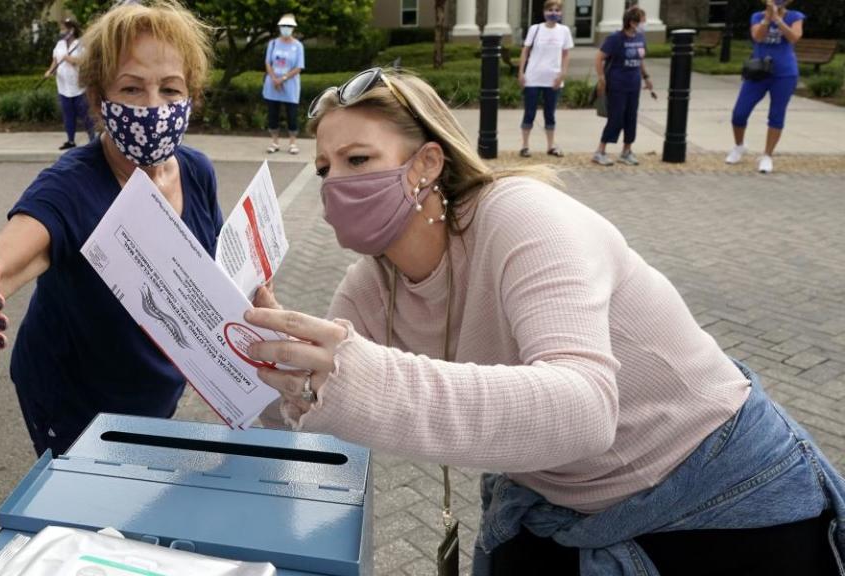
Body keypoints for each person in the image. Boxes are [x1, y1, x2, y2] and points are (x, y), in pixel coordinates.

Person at [243, 67, 845, 574]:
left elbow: (583, 409)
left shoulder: (523, 217)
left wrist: (357, 378)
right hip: (560, 498)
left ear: (426, 163)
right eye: (324, 169)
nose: (336, 184)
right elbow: (315, 419)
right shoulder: (372, 284)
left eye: (358, 158)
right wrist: (252, 364)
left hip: (715, 491)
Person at [0, 0, 223, 457]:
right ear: (99, 98)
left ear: (192, 96)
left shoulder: (196, 172)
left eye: (169, 89)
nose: (153, 107)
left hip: (154, 391)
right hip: (73, 404)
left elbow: (212, 275)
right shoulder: (72, 185)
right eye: (132, 88)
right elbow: (7, 256)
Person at [726, 0, 804, 174]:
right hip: (758, 71)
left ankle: (767, 155)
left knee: (776, 114)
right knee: (740, 112)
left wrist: (779, 20)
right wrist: (767, 19)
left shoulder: (795, 16)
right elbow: (758, 37)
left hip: (784, 73)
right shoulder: (757, 16)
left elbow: (794, 37)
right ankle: (739, 146)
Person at [592, 7, 653, 166]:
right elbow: (599, 58)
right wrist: (601, 78)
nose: (644, 24)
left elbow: (640, 60)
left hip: (634, 84)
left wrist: (646, 77)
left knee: (631, 117)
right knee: (616, 118)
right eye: (642, 21)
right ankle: (600, 151)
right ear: (632, 22)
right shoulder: (615, 39)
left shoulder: (640, 38)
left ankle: (626, 151)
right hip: (617, 84)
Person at [517, 0, 573, 158]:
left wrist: (563, 74)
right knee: (529, 112)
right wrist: (521, 72)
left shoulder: (564, 31)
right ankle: (525, 146)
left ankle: (550, 146)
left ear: (561, 13)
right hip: (533, 78)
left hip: (553, 79)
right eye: (550, 10)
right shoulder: (535, 29)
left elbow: (566, 54)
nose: (553, 13)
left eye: (557, 10)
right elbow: (525, 51)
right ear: (544, 12)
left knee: (550, 113)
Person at [45, 18, 96, 150]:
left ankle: (93, 140)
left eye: (64, 28)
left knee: (86, 115)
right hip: (63, 87)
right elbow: (55, 60)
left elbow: (84, 61)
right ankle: (70, 140)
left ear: (71, 30)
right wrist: (50, 71)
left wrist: (71, 59)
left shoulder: (80, 44)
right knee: (68, 115)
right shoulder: (59, 45)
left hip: (78, 87)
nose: (61, 31)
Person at [262, 14, 305, 155]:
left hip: (290, 86)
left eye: (289, 27)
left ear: (293, 28)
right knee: (272, 114)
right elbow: (268, 63)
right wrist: (274, 78)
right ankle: (274, 142)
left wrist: (283, 79)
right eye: (283, 26)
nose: (286, 29)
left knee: (291, 114)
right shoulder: (273, 43)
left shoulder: (298, 46)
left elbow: (299, 67)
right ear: (279, 27)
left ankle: (293, 143)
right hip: (272, 85)